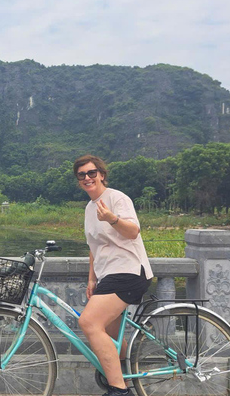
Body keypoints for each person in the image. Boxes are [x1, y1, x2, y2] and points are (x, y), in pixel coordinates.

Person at [74, 154, 153, 396]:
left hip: (129, 271)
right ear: (78, 180)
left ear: (102, 175)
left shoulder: (117, 198)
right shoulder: (89, 208)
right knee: (110, 332)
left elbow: (133, 231)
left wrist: (112, 218)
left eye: (92, 173)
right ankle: (121, 374)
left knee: (88, 322)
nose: (88, 178)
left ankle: (119, 390)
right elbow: (94, 246)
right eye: (82, 175)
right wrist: (92, 278)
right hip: (108, 275)